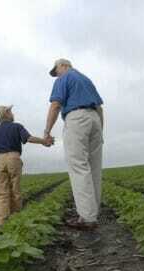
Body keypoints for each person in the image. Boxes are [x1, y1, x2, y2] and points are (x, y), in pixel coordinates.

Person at [44, 59, 104, 230]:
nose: (56, 74)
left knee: (78, 166)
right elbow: (100, 108)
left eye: (56, 71)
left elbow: (55, 105)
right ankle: (92, 212)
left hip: (76, 118)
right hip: (95, 120)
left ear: (63, 65)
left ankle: (87, 218)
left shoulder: (63, 79)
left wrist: (47, 131)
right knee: (94, 167)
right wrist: (101, 132)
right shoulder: (86, 79)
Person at [0, 105, 53, 226]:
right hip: (13, 158)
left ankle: (1, 222)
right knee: (15, 189)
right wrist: (44, 141)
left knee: (1, 191)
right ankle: (15, 219)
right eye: (10, 111)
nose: (12, 113)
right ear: (5, 114)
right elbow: (29, 138)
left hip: (0, 159)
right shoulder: (17, 127)